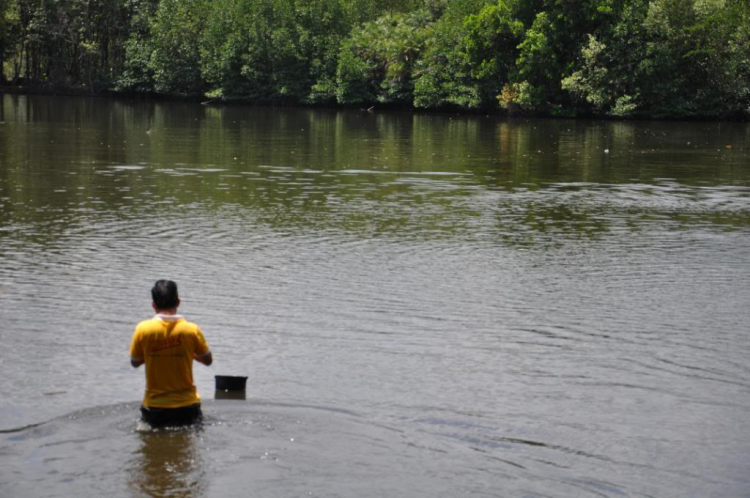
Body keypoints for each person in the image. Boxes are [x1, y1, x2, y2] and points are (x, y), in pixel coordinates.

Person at [130, 280, 213, 427]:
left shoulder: (143, 329)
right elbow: (208, 360)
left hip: (155, 408)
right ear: (178, 302)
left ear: (153, 305)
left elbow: (135, 361)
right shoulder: (191, 330)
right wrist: (188, 353)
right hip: (188, 406)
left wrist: (153, 353)